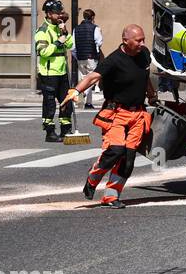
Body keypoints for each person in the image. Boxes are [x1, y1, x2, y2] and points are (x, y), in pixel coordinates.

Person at [61, 24, 157, 209]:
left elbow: (144, 77)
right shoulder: (114, 60)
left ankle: (112, 196)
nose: (142, 43)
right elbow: (92, 77)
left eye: (143, 39)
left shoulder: (144, 54)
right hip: (116, 113)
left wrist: (152, 95)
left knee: (128, 159)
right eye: (138, 40)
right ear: (125, 41)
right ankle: (93, 177)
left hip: (138, 113)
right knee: (115, 151)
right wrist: (76, 91)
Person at [35, 0, 75, 142]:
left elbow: (70, 44)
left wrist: (65, 32)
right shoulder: (42, 31)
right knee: (50, 103)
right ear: (49, 14)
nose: (60, 16)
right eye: (57, 13)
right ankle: (50, 132)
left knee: (66, 101)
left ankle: (66, 129)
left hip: (62, 71)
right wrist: (58, 42)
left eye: (60, 13)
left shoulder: (59, 28)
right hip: (48, 73)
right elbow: (43, 51)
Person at [73, 9, 104, 109]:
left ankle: (88, 103)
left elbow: (73, 46)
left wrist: (76, 56)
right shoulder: (95, 28)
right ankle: (82, 93)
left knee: (83, 79)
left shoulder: (76, 29)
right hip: (91, 56)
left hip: (80, 57)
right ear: (92, 17)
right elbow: (99, 42)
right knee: (93, 79)